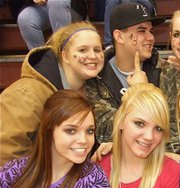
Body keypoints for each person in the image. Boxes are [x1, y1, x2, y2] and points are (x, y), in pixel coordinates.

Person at [0, 21, 106, 166]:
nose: (93, 56)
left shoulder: (94, 91)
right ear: (65, 56)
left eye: (97, 50)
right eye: (83, 50)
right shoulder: (27, 94)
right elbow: (6, 154)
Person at [95, 2, 180, 154]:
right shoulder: (98, 76)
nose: (150, 37)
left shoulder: (166, 71)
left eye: (151, 31)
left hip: (160, 165)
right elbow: (103, 131)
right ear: (119, 36)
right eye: (141, 31)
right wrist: (138, 92)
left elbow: (176, 136)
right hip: (118, 169)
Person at [17, 0, 88, 50]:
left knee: (55, 2)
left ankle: (61, 52)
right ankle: (40, 61)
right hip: (43, 6)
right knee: (25, 18)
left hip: (71, 6)